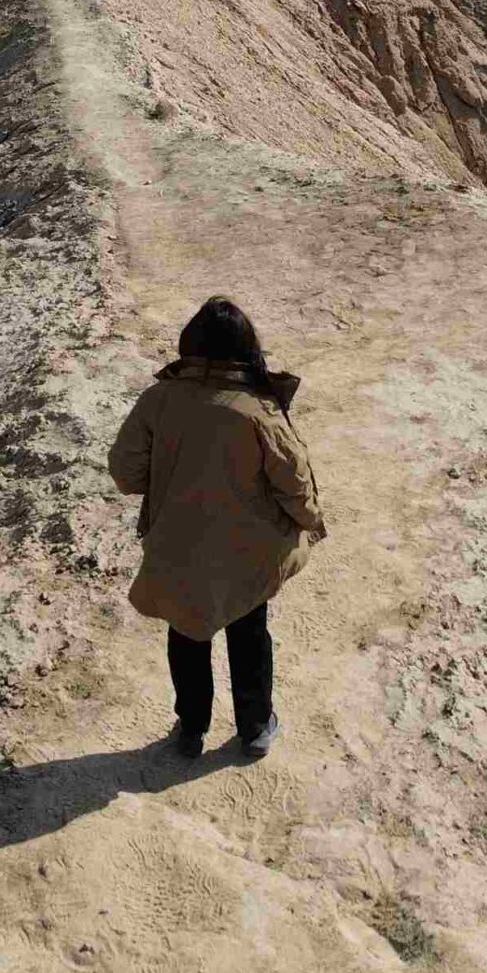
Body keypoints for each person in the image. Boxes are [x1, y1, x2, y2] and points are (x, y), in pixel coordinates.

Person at [107, 295, 325, 761]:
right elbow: (294, 480)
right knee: (249, 636)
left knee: (187, 633)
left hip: (178, 544)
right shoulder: (256, 408)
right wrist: (312, 522)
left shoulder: (159, 399)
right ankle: (255, 728)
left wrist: (169, 473)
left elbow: (125, 473)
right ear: (247, 349)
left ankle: (191, 728)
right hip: (248, 551)